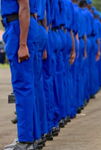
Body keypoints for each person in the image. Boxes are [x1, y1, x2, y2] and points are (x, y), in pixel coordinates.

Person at [1, 0, 40, 149]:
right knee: (30, 86)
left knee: (22, 86)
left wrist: (22, 44)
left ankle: (25, 141)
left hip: (18, 27)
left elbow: (24, 7)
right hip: (22, 26)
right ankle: (32, 137)